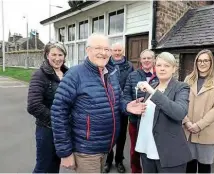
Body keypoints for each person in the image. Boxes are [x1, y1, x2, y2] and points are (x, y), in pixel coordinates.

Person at [50, 33, 146, 173]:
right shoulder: (74, 74)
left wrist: (126, 106)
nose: (103, 53)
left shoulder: (111, 73)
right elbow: (58, 113)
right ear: (88, 50)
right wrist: (65, 152)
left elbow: (118, 99)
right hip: (86, 150)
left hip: (105, 146)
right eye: (98, 48)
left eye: (107, 49)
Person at [135, 52, 191, 173]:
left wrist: (153, 93)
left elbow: (179, 112)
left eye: (166, 65)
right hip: (146, 147)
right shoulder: (153, 85)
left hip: (169, 152)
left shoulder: (181, 87)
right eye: (159, 65)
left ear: (174, 69)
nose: (162, 68)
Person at [27, 41, 68, 173]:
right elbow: (33, 105)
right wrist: (57, 119)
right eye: (53, 54)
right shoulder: (39, 75)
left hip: (63, 130)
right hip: (47, 129)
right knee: (43, 167)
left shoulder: (68, 74)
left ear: (64, 56)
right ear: (47, 55)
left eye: (60, 54)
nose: (57, 58)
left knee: (55, 165)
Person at [183, 49, 214, 173]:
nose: (202, 63)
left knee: (204, 167)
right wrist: (186, 122)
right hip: (188, 130)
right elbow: (181, 102)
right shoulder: (188, 79)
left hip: (206, 131)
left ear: (211, 62)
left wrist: (199, 125)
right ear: (196, 62)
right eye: (199, 60)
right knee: (189, 166)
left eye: (206, 60)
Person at [123, 49, 158, 173]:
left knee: (154, 149)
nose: (147, 60)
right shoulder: (133, 75)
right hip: (136, 120)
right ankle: (136, 170)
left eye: (149, 58)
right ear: (140, 60)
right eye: (144, 58)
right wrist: (131, 104)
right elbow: (126, 95)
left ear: (154, 59)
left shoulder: (160, 75)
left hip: (156, 122)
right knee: (135, 150)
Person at [104, 43, 134, 173]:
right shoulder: (105, 64)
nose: (117, 52)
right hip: (108, 105)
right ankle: (108, 161)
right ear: (111, 51)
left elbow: (131, 83)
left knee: (121, 135)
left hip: (123, 105)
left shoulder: (130, 66)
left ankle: (119, 160)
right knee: (109, 134)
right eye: (114, 50)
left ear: (123, 51)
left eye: (119, 50)